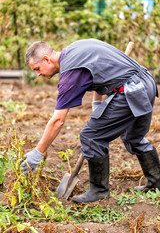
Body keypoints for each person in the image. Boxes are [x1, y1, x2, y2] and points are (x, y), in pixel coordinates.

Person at [21, 38, 160, 203]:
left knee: (91, 136)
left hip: (130, 91)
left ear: (46, 59)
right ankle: (156, 182)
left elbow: (58, 120)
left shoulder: (70, 73)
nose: (37, 74)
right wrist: (96, 104)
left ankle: (99, 191)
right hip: (145, 83)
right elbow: (100, 72)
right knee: (133, 137)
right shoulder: (76, 48)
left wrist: (38, 153)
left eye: (37, 68)